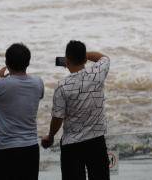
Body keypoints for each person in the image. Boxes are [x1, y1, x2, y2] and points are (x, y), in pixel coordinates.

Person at [41, 41, 111, 180]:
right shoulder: (97, 74)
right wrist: (83, 55)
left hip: (72, 145)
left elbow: (57, 118)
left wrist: (50, 136)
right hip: (96, 141)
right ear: (85, 59)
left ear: (67, 60)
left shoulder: (62, 86)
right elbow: (104, 58)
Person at [0, 42, 44, 180]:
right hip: (30, 148)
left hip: (5, 149)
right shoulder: (38, 82)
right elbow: (39, 95)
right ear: (28, 63)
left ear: (7, 62)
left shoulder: (0, 84)